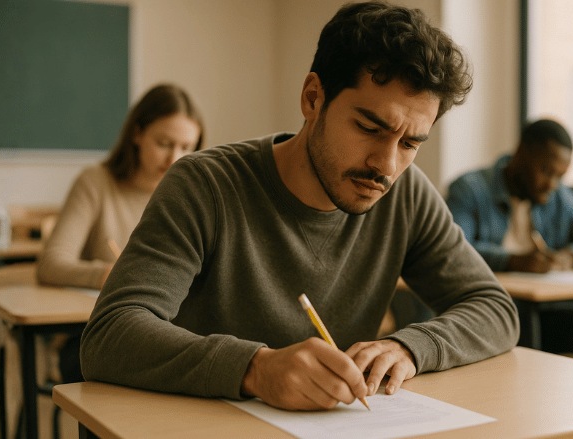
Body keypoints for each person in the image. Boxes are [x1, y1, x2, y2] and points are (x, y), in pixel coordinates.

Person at [81, 0, 519, 411]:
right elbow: (110, 334)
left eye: (410, 143)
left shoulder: (405, 194)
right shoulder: (204, 185)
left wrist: (410, 347)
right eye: (369, 128)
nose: (386, 165)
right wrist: (256, 369)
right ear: (313, 98)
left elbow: (494, 309)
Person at [36, 83, 204, 382]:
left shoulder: (189, 196)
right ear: (137, 134)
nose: (174, 159)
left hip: (170, 332)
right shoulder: (96, 183)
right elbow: (51, 264)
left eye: (186, 147)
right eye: (164, 143)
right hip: (97, 334)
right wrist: (109, 275)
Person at [445, 118, 573, 367]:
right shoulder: (470, 189)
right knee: (526, 335)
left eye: (560, 176)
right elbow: (453, 249)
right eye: (546, 171)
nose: (552, 183)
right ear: (521, 154)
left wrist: (571, 256)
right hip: (485, 311)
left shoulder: (559, 197)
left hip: (542, 311)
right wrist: (512, 261)